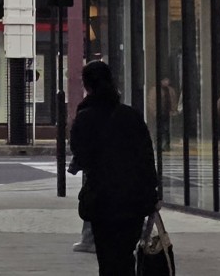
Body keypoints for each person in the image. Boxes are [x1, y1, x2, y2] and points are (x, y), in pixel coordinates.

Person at [69, 60, 159, 276]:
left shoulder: (85, 117)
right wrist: (152, 194)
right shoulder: (131, 116)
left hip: (102, 199)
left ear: (87, 86)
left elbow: (82, 156)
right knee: (126, 255)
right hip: (133, 200)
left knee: (107, 258)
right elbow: (147, 158)